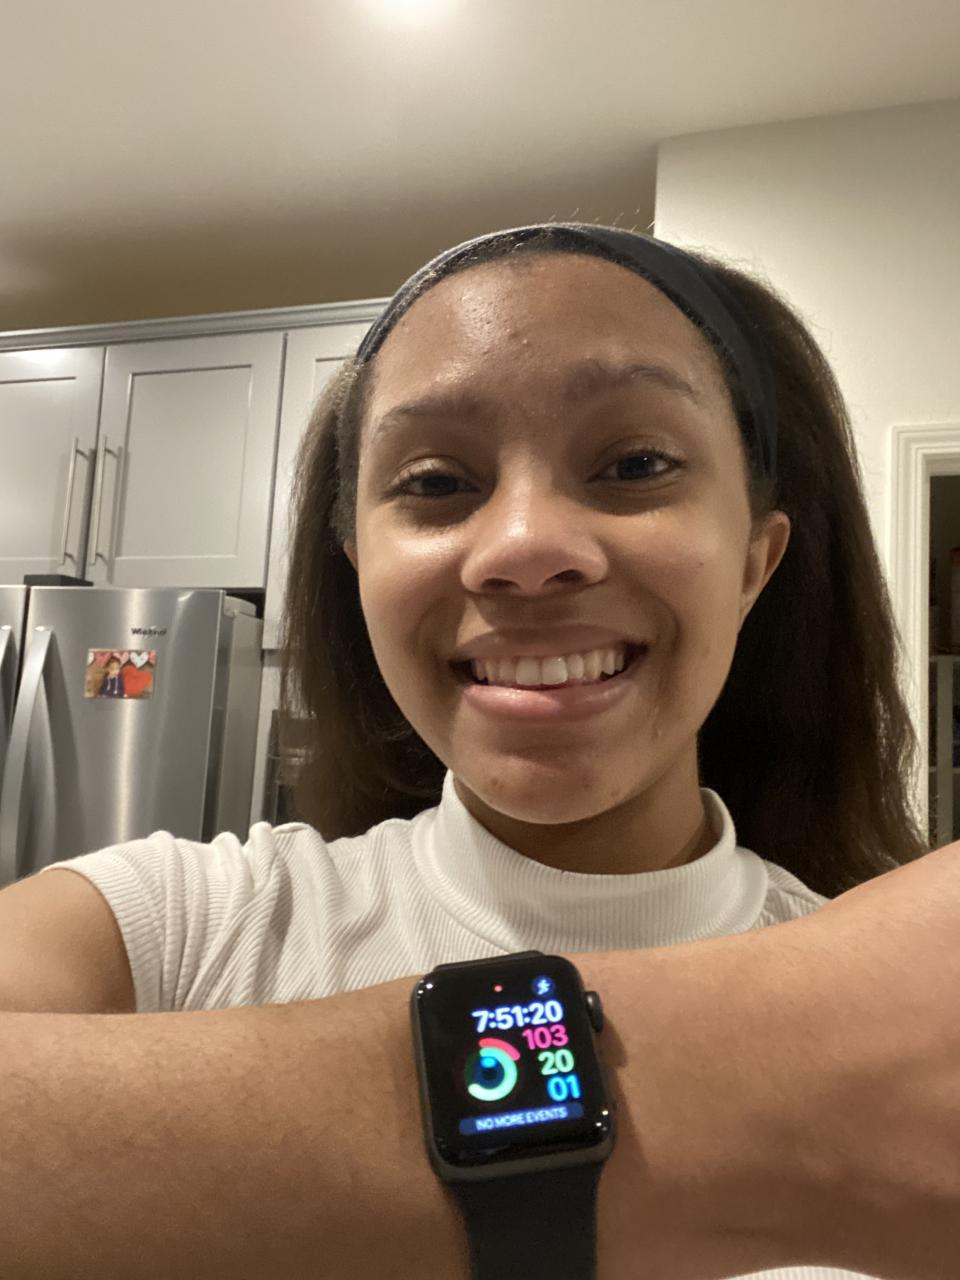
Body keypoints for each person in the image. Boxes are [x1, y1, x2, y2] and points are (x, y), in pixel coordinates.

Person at [0, 223, 956, 1280]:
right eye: (436, 481)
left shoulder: (922, 1045)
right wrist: (721, 1105)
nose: (524, 546)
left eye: (635, 464)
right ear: (360, 568)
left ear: (753, 562)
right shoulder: (185, 927)